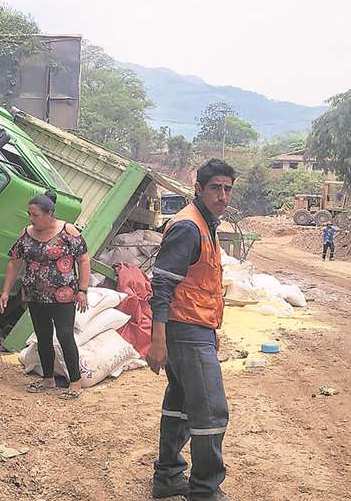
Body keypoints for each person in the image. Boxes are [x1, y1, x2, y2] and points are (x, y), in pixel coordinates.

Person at [147, 159, 234, 501]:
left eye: (227, 189)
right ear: (198, 189)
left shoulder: (205, 223)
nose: (222, 195)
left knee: (180, 405)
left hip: (195, 329)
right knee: (211, 411)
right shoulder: (189, 226)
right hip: (186, 331)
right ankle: (204, 490)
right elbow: (162, 286)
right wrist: (157, 341)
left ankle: (168, 477)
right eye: (215, 188)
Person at [0, 190, 89, 400]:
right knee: (43, 336)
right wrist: (5, 291)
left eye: (35, 215)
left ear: (50, 214)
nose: (31, 219)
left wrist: (83, 290)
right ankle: (48, 378)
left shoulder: (68, 231)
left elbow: (83, 260)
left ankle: (75, 382)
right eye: (29, 214)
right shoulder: (26, 234)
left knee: (65, 336)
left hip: (63, 295)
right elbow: (14, 261)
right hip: (35, 295)